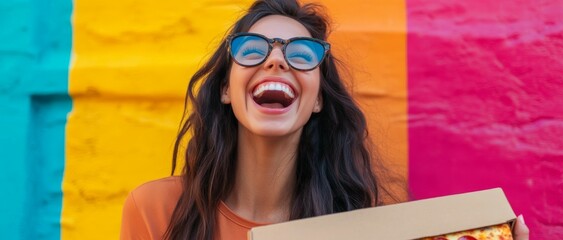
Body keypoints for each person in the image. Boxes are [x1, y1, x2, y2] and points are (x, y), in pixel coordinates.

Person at [120, 0, 530, 239]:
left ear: (317, 99)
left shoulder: (362, 228)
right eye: (252, 49)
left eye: (301, 54)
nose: (276, 59)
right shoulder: (156, 211)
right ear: (226, 89)